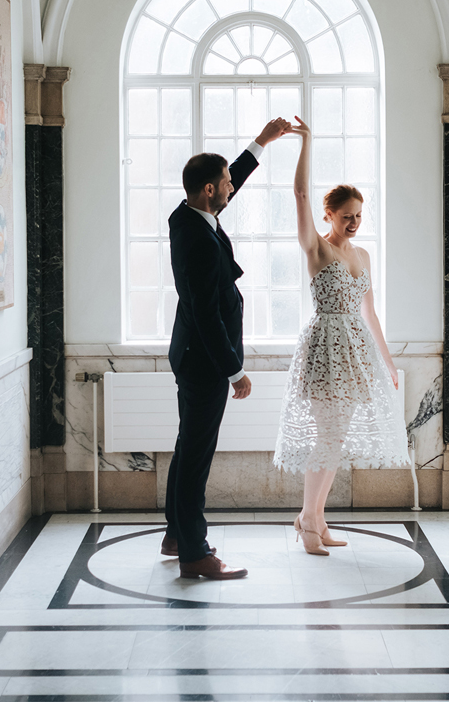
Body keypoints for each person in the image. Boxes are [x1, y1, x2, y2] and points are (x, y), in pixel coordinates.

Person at [273, 116, 409, 556]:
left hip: (355, 351)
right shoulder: (317, 247)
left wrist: (387, 364)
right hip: (324, 348)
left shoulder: (363, 255)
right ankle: (309, 520)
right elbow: (298, 194)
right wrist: (306, 141)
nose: (353, 223)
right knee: (326, 437)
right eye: (346, 216)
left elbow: (370, 313)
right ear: (329, 214)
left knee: (337, 437)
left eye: (358, 216)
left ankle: (314, 516)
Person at [164, 116, 292, 580]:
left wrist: (261, 143)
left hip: (191, 355)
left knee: (187, 445)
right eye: (225, 184)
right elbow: (204, 313)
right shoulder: (197, 235)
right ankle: (195, 553)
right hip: (204, 361)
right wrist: (235, 371)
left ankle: (176, 532)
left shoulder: (190, 214)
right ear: (210, 191)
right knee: (197, 455)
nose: (231, 187)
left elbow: (230, 175)